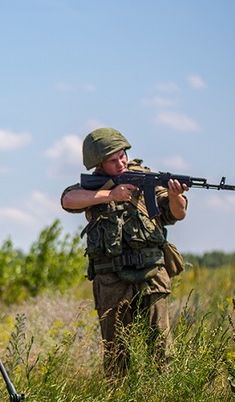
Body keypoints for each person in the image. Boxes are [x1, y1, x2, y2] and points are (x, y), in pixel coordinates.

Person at [61, 127, 188, 377]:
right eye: (112, 160)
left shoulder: (147, 178)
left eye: (122, 156)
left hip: (151, 275)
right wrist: (111, 194)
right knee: (117, 354)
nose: (121, 163)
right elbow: (68, 200)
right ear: (99, 163)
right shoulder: (95, 187)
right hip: (111, 279)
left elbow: (177, 213)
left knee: (162, 350)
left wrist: (176, 197)